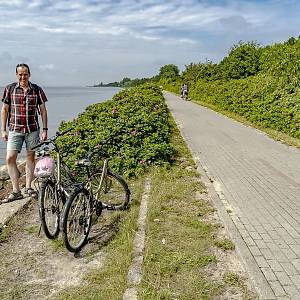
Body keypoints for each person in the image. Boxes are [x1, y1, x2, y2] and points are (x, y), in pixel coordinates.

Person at [1, 63, 48, 202]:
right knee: (10, 158)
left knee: (30, 157)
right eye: (20, 74)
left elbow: (43, 110)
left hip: (32, 129)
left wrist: (45, 129)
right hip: (14, 129)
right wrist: (3, 130)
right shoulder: (9, 89)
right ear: (17, 75)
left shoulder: (37, 90)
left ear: (29, 74)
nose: (23, 77)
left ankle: (28, 187)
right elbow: (4, 110)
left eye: (25, 74)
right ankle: (16, 191)